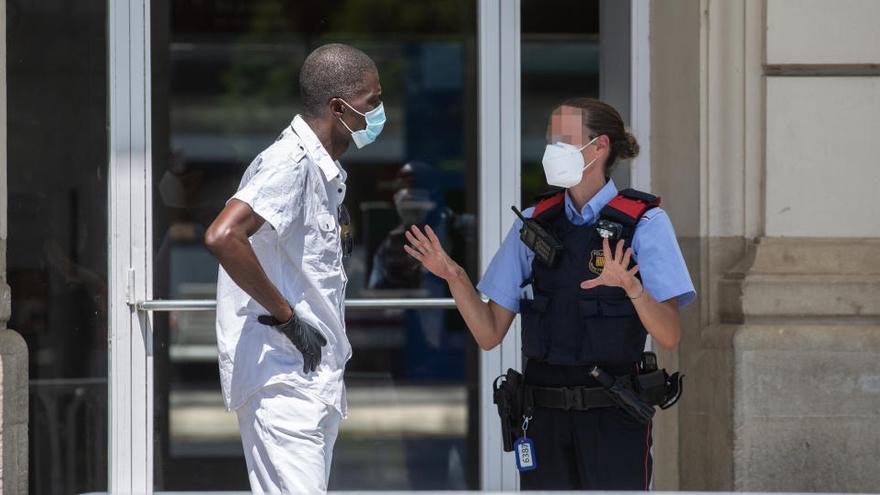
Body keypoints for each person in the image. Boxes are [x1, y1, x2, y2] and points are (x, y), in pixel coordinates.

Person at [404, 98, 695, 490]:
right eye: (549, 140)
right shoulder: (537, 224)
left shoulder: (644, 224)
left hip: (612, 418)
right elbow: (489, 334)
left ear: (599, 147)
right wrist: (453, 274)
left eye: (563, 140)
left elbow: (670, 334)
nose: (551, 151)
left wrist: (632, 288)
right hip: (544, 418)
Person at [205, 43, 384, 494]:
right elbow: (224, 236)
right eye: (373, 103)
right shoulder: (291, 163)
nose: (379, 114)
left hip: (311, 379)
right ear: (339, 107)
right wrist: (286, 317)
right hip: (282, 380)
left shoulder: (323, 173)